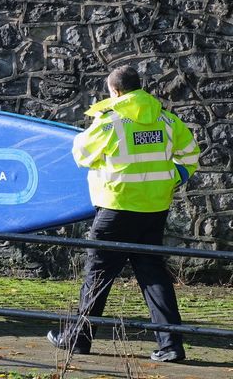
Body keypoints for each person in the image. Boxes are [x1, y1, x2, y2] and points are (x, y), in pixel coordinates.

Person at [47, 66, 200, 362]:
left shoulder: (110, 122)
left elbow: (81, 155)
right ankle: (170, 346)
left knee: (98, 275)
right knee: (154, 277)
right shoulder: (166, 120)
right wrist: (171, 178)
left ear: (115, 91)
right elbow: (191, 156)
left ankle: (77, 339)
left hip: (116, 209)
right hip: (154, 210)